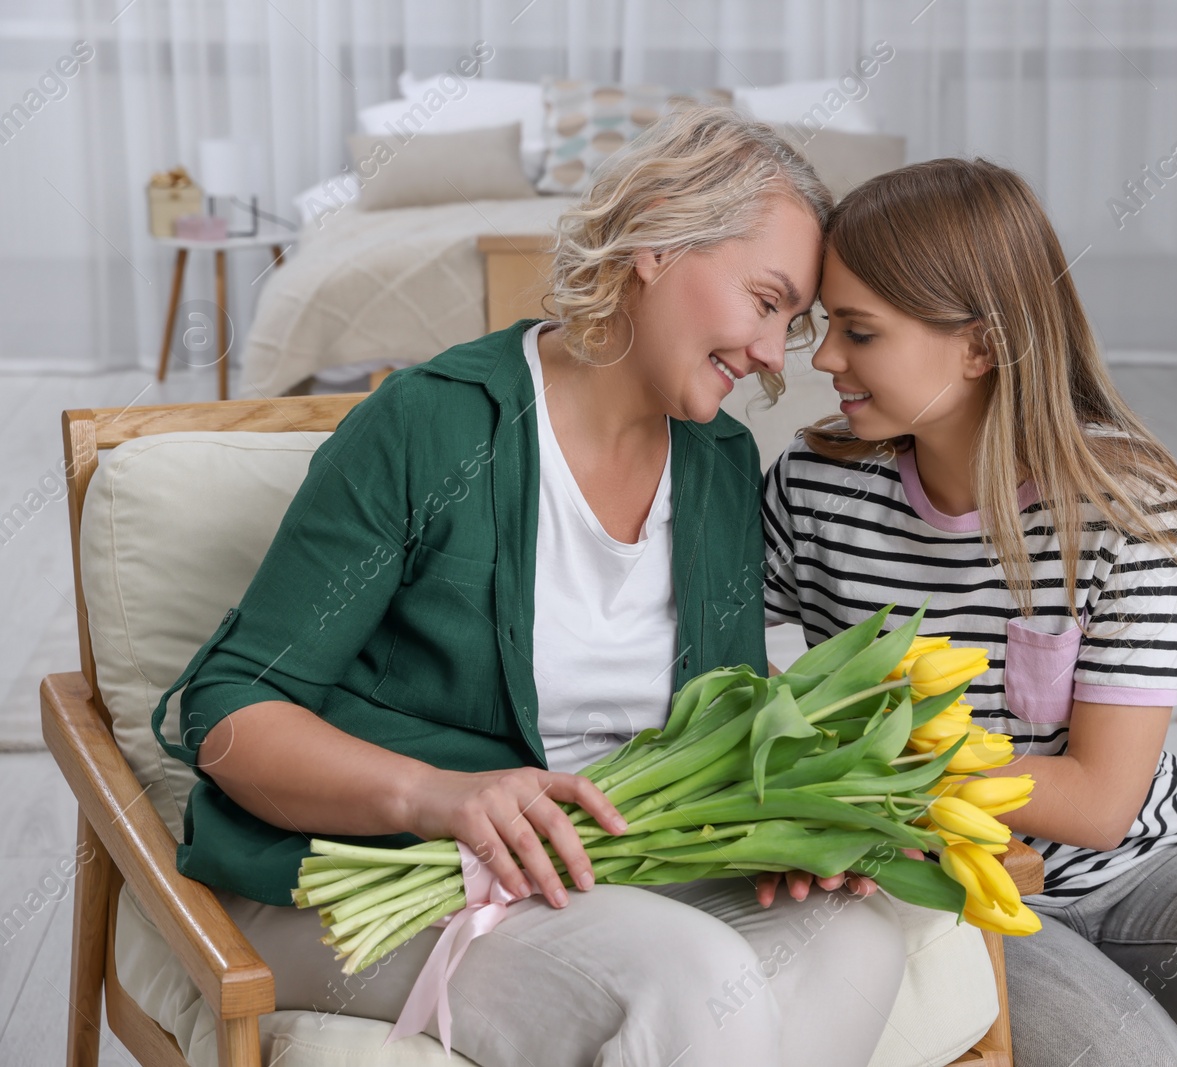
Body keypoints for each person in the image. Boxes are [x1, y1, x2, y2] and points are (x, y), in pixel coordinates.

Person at [148, 107, 905, 1067]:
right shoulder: (434, 425)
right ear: (660, 240)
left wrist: (791, 817)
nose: (770, 353)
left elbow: (722, 721)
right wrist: (441, 795)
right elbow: (231, 708)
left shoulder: (715, 460)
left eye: (790, 325)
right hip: (388, 874)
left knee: (858, 941)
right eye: (765, 301)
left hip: (608, 870)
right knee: (694, 981)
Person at [760, 157, 1177, 1065]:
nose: (826, 357)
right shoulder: (816, 488)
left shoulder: (1119, 506)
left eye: (859, 333)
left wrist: (874, 774)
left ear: (980, 346)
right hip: (947, 887)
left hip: (1144, 865)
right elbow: (713, 671)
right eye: (827, 325)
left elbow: (1104, 803)